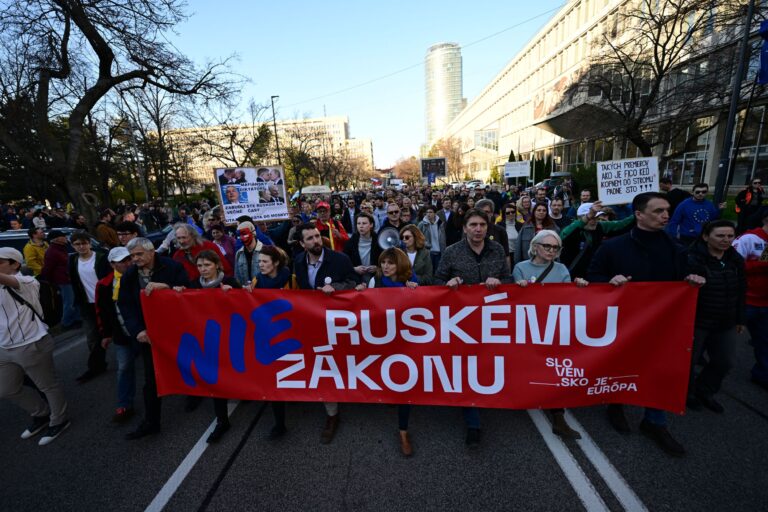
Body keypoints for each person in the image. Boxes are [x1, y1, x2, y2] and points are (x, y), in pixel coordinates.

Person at [587, 192, 706, 457]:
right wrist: (610, 281)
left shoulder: (677, 249)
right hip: (621, 324)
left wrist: (693, 280)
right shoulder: (613, 247)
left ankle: (655, 421)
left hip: (661, 325)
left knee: (658, 369)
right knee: (620, 364)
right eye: (658, 211)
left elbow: (686, 279)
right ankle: (615, 403)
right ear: (639, 215)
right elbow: (593, 275)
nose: (666, 215)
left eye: (667, 210)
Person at [434, 208, 511, 447]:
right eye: (473, 225)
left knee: (489, 364)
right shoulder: (451, 252)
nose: (478, 229)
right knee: (466, 368)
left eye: (482, 225)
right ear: (465, 228)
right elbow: (437, 282)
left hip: (491, 319)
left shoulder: (497, 250)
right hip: (461, 321)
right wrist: (450, 283)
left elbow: (508, 279)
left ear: (488, 228)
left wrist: (499, 282)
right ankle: (473, 422)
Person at [512, 230, 588, 439]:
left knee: (554, 367)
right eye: (547, 246)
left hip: (553, 326)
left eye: (555, 248)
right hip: (527, 325)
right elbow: (516, 300)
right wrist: (519, 288)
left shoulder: (562, 269)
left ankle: (558, 416)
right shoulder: (520, 268)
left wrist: (579, 287)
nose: (551, 251)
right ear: (535, 246)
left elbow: (567, 298)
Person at [119, 237, 190, 440]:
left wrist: (167, 287)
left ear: (151, 252)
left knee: (186, 365)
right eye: (132, 256)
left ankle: (193, 395)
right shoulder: (130, 275)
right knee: (151, 379)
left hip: (176, 330)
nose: (135, 259)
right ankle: (151, 422)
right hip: (148, 336)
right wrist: (138, 330)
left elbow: (188, 292)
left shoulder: (173, 267)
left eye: (139, 254)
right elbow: (126, 306)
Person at [293, 223, 358, 444]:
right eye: (309, 239)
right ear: (302, 244)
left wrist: (337, 289)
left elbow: (355, 283)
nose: (316, 241)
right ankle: (332, 414)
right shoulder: (298, 262)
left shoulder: (340, 259)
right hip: (315, 324)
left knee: (347, 361)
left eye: (317, 236)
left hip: (341, 323)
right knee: (325, 365)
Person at [0, 247, 70, 446]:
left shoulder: (26, 281)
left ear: (15, 264)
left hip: (31, 343)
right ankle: (41, 413)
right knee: (6, 389)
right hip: (4, 347)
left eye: (0, 262)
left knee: (47, 385)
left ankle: (59, 419)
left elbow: (11, 282)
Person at [173, 250, 240, 443]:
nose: (203, 269)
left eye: (207, 265)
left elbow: (245, 307)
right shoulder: (193, 286)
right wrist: (178, 294)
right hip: (208, 340)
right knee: (215, 379)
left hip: (231, 337)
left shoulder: (230, 283)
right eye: (200, 266)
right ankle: (222, 421)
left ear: (217, 265)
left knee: (236, 372)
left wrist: (234, 295)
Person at [358, 247, 419, 456]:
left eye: (390, 263)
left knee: (404, 385)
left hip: (405, 342)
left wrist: (416, 291)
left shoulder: (411, 281)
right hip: (382, 339)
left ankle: (403, 432)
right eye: (383, 262)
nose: (385, 267)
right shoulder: (375, 281)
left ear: (399, 265)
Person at [684, 220, 746, 413]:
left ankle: (705, 390)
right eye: (720, 236)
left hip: (725, 321)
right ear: (705, 237)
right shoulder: (690, 258)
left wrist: (740, 318)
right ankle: (687, 394)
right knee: (689, 362)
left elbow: (741, 290)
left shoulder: (735, 260)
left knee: (725, 361)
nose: (725, 240)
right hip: (698, 321)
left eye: (729, 236)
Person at [250, 245, 293, 439]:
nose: (261, 265)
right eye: (259, 262)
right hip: (269, 336)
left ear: (275, 263)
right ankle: (280, 423)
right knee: (275, 377)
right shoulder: (257, 281)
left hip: (291, 334)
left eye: (265, 261)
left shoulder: (291, 280)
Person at [95, 247, 138, 423]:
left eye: (129, 259)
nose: (127, 263)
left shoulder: (139, 276)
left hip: (143, 330)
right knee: (124, 367)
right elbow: (102, 311)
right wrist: (105, 334)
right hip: (121, 333)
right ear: (112, 264)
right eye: (122, 261)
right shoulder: (105, 285)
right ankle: (124, 404)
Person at [732, 207, 768, 391]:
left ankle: (763, 374)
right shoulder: (750, 239)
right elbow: (732, 265)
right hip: (745, 300)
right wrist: (761, 265)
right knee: (723, 338)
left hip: (765, 302)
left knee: (764, 341)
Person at [68, 231, 110, 383]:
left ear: (90, 243)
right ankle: (96, 366)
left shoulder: (101, 257)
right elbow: (74, 282)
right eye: (77, 244)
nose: (81, 247)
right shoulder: (73, 260)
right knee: (93, 337)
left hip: (106, 303)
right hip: (87, 305)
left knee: (117, 333)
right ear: (73, 246)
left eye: (84, 243)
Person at [560, 202, 634, 279]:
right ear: (580, 218)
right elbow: (564, 236)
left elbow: (622, 225)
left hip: (594, 277)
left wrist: (639, 213)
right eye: (591, 218)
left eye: (596, 217)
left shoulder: (600, 226)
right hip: (573, 279)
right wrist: (588, 216)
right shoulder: (573, 229)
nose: (595, 221)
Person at [41, 230, 80, 329]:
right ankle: (66, 322)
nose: (66, 238)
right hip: (63, 281)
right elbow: (47, 268)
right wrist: (50, 281)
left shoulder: (61, 248)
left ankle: (76, 319)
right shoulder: (52, 251)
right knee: (69, 302)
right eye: (63, 236)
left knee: (75, 300)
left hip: (69, 278)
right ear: (57, 239)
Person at [343, 212, 381, 286]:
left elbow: (386, 259)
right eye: (358, 223)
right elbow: (344, 263)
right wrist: (354, 269)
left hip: (376, 278)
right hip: (357, 279)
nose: (361, 226)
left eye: (364, 223)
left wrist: (378, 268)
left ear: (371, 225)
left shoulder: (379, 241)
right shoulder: (350, 242)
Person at [418, 205, 446, 271]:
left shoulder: (440, 223)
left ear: (435, 213)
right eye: (427, 212)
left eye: (430, 212)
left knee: (437, 272)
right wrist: (425, 244)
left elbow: (443, 238)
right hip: (428, 252)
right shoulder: (422, 224)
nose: (428, 214)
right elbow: (417, 237)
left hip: (439, 252)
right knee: (429, 271)